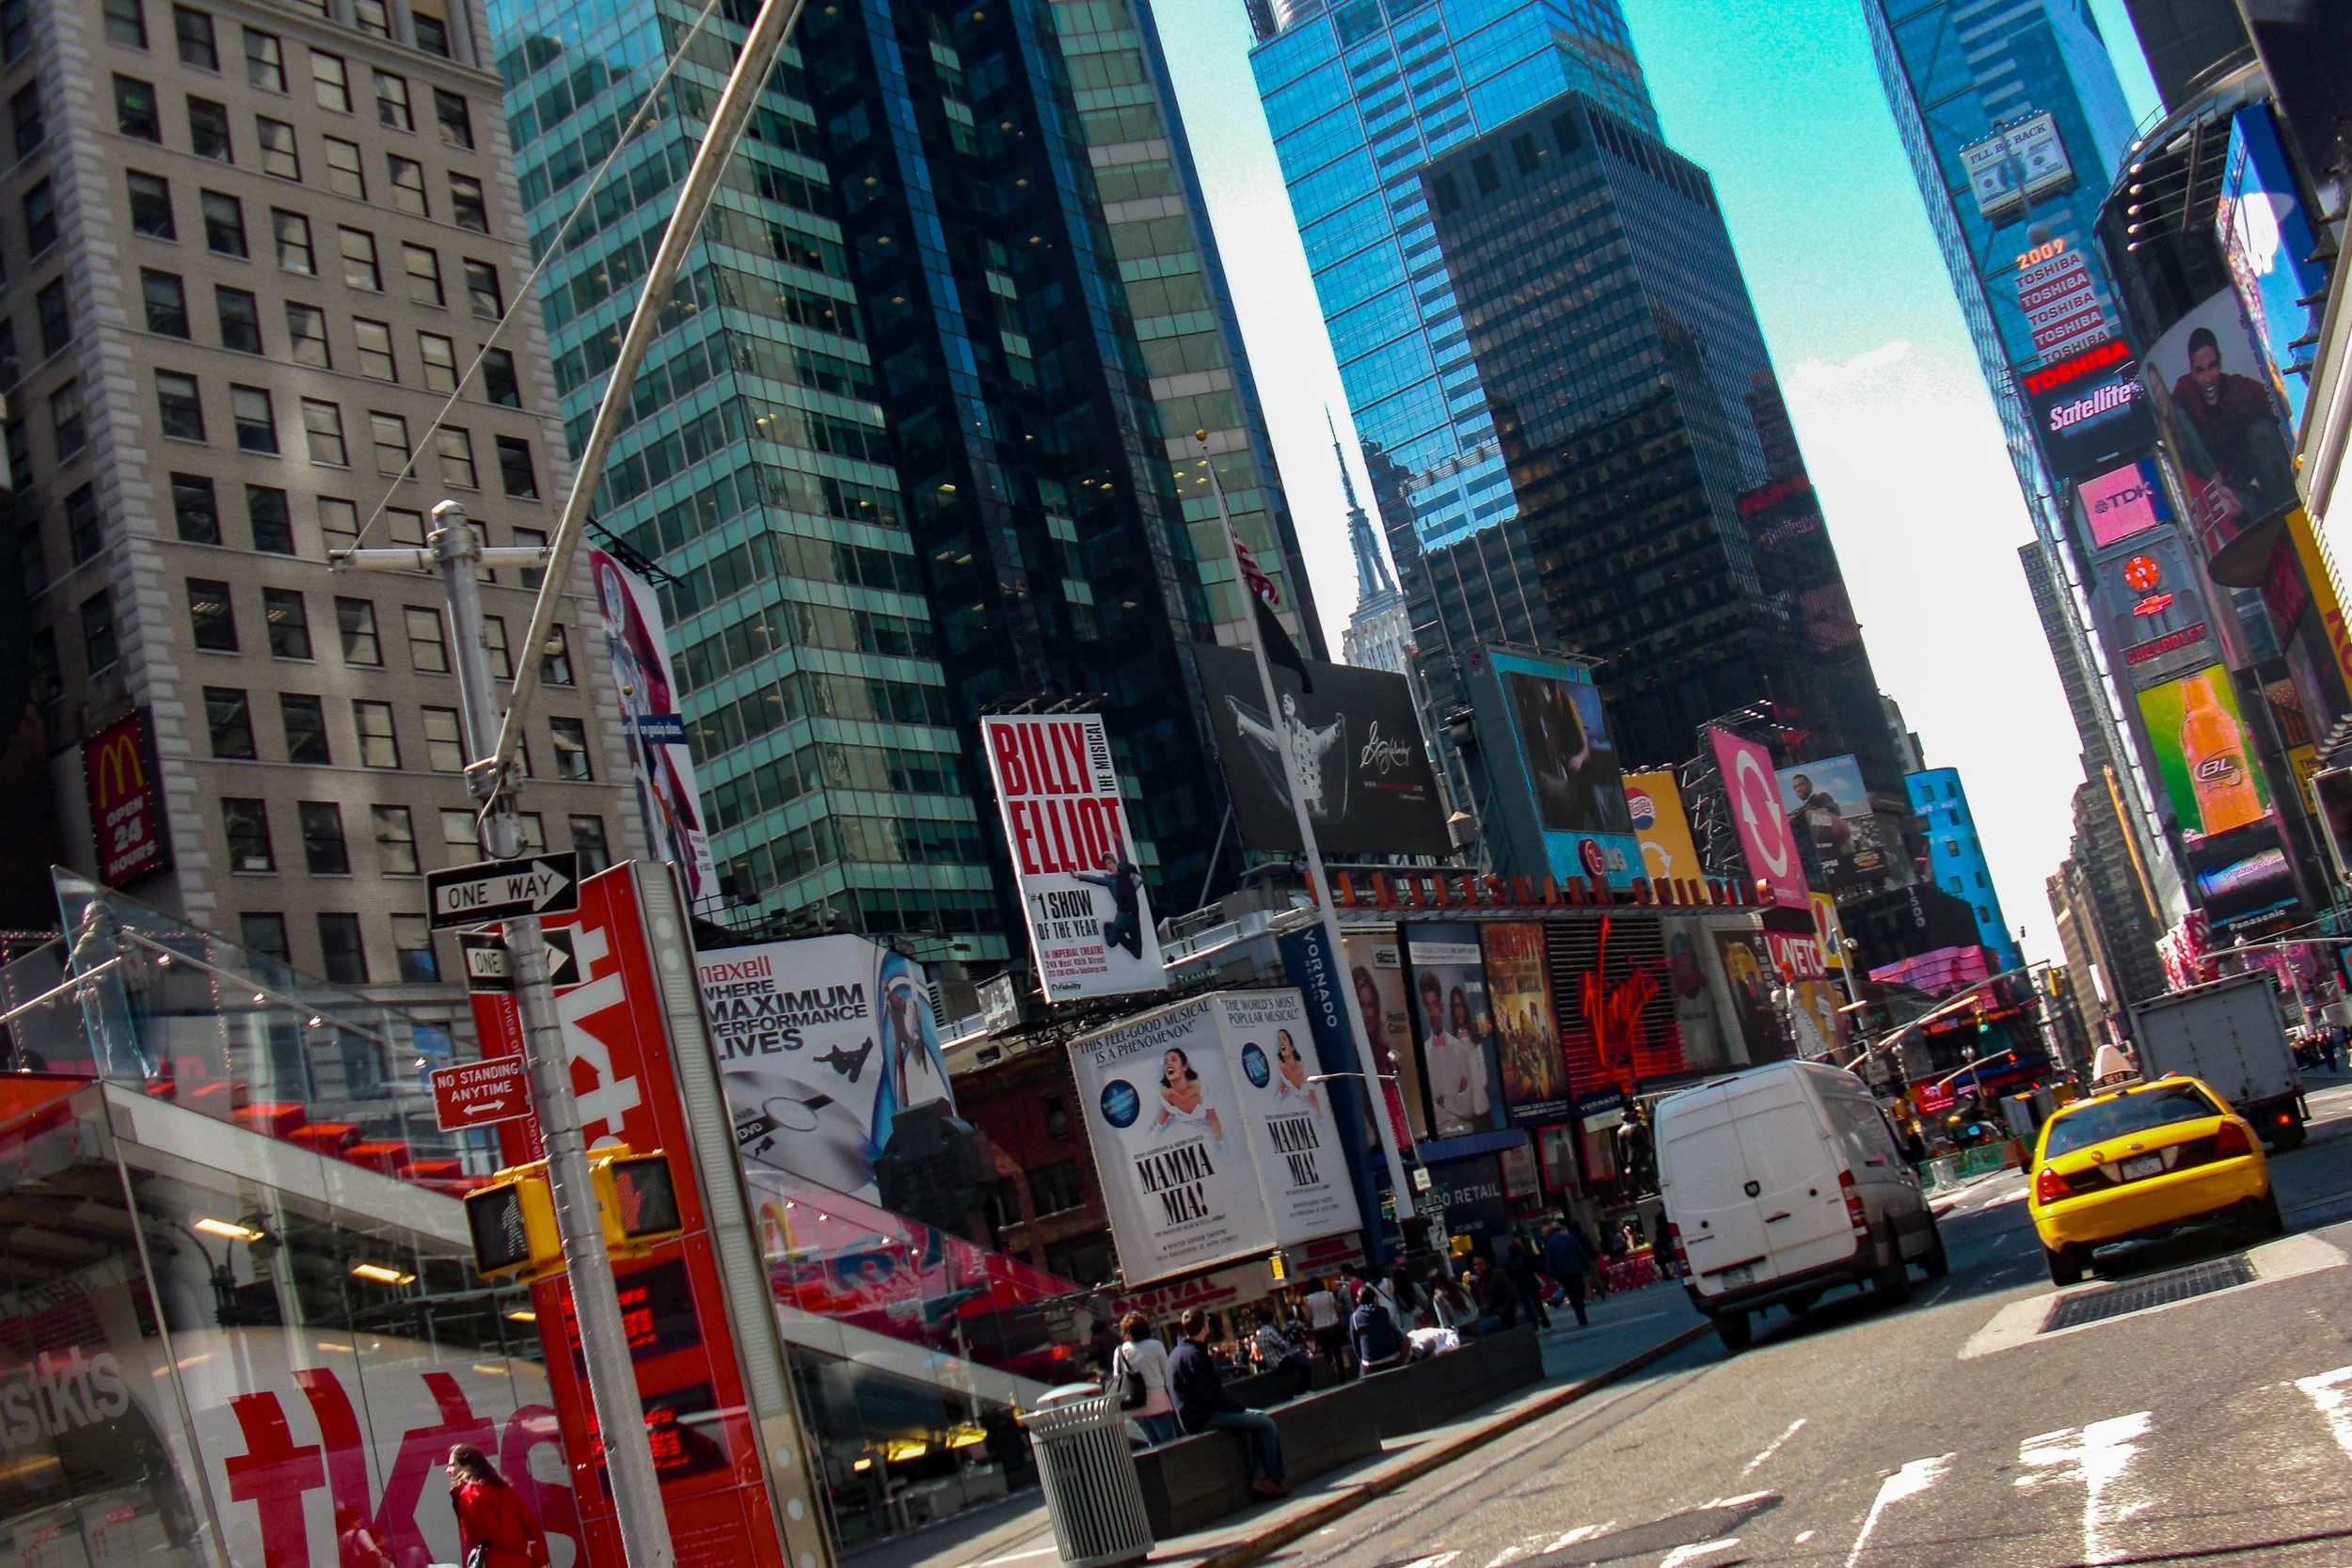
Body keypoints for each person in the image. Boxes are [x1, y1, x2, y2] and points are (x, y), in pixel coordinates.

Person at [1168, 1307, 1290, 1496]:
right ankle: (1274, 1479)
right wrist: (1240, 1410)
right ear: (1204, 1327)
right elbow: (1210, 1394)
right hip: (1202, 1417)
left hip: (1195, 1415)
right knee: (1265, 1423)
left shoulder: (1179, 1353)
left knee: (1258, 1422)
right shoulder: (1193, 1356)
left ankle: (1262, 1476)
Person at [446, 1444, 548, 1568]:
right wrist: (538, 1559)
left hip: (496, 1561)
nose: (448, 1471)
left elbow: (480, 1535)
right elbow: (531, 1526)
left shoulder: (470, 1493)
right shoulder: (503, 1490)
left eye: (452, 1465)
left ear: (467, 1466)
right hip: (523, 1561)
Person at [1114, 1310, 1179, 1445]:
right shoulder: (1155, 1345)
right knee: (1170, 1443)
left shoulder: (1119, 1351)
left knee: (1152, 1444)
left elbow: (1117, 1377)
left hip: (1135, 1405)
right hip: (1158, 1402)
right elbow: (1167, 1372)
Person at [1150, 1048, 1223, 1143]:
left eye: (1173, 1059)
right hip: (1183, 1135)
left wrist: (1220, 1143)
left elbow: (1213, 1118)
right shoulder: (1166, 1094)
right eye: (1165, 1062)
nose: (1168, 1063)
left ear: (1184, 1067)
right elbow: (1161, 1121)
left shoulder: (1201, 1088)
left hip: (1207, 1135)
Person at [1543, 1222, 1595, 1328]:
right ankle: (1582, 1315)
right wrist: (1586, 1265)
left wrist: (1551, 1273)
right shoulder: (1570, 1238)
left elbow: (1550, 1259)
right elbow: (1580, 1252)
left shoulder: (1551, 1242)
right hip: (1576, 1270)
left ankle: (1579, 1314)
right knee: (1579, 1293)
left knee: (1571, 1294)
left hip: (1563, 1273)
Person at [1350, 1284, 1406, 1372]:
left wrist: (1362, 1360)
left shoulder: (1355, 1317)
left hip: (1370, 1362)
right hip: (1392, 1356)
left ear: (1359, 1300)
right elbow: (1397, 1333)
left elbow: (1355, 1343)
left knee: (1362, 1377)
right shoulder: (1384, 1311)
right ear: (1374, 1298)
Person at [1303, 1276, 1349, 1376]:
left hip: (1320, 1330)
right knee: (1337, 1352)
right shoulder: (1329, 1295)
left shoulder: (1309, 1299)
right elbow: (1339, 1310)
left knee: (1326, 1350)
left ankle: (1331, 1364)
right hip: (1333, 1327)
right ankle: (1342, 1373)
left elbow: (1308, 1318)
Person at [1504, 1240, 1549, 1329]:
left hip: (1520, 1286)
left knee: (1527, 1306)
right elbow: (1535, 1266)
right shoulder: (1526, 1256)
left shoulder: (1509, 1262)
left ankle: (1533, 1325)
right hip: (1531, 1283)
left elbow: (1508, 1275)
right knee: (1538, 1304)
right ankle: (1545, 1322)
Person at [1470, 1253, 1518, 1334]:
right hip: (1493, 1315)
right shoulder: (1481, 1279)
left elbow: (1512, 1294)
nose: (1477, 1267)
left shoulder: (1497, 1275)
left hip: (1503, 1317)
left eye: (1480, 1264)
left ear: (1486, 1264)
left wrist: (1502, 1313)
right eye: (1475, 1265)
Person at [1424, 1270, 1471, 1334]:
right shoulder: (1457, 1287)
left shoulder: (1438, 1298)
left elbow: (1444, 1322)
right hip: (1472, 1320)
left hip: (1459, 1328)